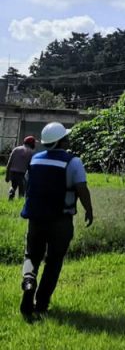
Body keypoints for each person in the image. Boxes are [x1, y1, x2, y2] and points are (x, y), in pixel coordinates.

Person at [19, 122, 94, 319]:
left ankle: (28, 280)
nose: (68, 139)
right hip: (60, 219)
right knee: (53, 261)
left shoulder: (35, 159)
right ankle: (41, 304)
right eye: (66, 137)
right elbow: (81, 188)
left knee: (31, 256)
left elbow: (28, 184)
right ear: (61, 141)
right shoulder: (73, 161)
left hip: (35, 218)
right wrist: (89, 210)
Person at [5, 135, 35, 200]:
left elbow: (9, 163)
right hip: (21, 173)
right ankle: (19, 202)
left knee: (13, 186)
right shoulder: (31, 152)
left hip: (12, 172)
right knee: (22, 189)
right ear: (31, 144)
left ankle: (11, 196)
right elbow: (30, 166)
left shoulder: (16, 149)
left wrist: (7, 175)